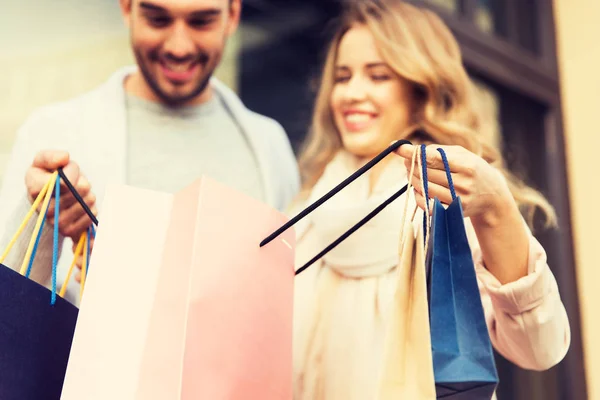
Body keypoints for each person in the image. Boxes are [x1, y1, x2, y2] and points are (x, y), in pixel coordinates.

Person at [291, 1, 570, 399]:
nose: (352, 93)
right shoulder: (307, 211)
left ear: (420, 88)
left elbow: (539, 349)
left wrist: (496, 213)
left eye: (378, 75)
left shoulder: (450, 202)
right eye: (342, 76)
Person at [0, 0, 299, 305]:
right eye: (158, 20)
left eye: (201, 22)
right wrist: (42, 218)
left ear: (232, 15)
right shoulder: (52, 131)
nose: (179, 47)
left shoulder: (269, 144)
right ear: (127, 9)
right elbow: (9, 308)